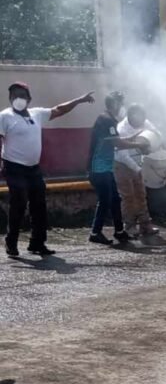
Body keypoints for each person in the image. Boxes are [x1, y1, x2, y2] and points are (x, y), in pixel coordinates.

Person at [1, 82, 95, 257]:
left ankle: (37, 243)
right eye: (14, 95)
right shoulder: (5, 116)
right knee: (19, 202)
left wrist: (80, 100)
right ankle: (11, 242)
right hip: (14, 166)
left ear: (28, 99)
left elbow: (59, 110)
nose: (17, 98)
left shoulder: (37, 114)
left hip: (33, 168)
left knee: (39, 204)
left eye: (21, 95)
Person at [87, 91, 149, 245]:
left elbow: (116, 140)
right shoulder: (106, 120)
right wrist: (138, 145)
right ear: (114, 104)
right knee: (105, 200)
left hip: (105, 167)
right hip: (98, 168)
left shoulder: (109, 120)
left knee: (115, 199)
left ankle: (120, 231)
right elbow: (117, 144)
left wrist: (132, 139)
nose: (122, 107)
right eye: (120, 103)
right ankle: (95, 232)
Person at [114, 104, 160, 237]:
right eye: (138, 120)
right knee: (128, 197)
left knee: (141, 194)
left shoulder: (144, 121)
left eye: (142, 119)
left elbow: (155, 133)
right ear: (130, 117)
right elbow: (123, 155)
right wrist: (138, 169)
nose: (141, 123)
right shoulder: (122, 129)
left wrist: (155, 145)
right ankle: (129, 227)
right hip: (122, 164)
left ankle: (146, 225)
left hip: (138, 162)